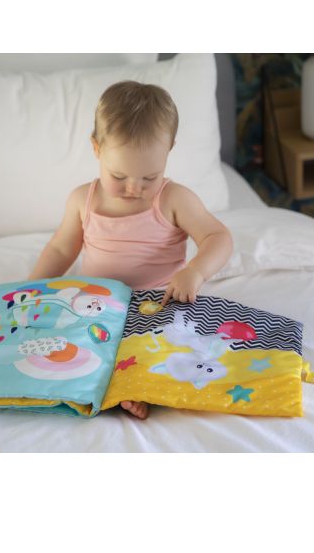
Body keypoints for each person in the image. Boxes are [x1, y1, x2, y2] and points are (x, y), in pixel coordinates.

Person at [28, 80, 233, 419]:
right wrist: (30, 288)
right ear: (96, 148)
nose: (134, 188)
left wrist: (195, 271)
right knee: (69, 342)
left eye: (150, 177)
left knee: (169, 349)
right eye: (119, 176)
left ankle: (140, 388)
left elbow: (218, 236)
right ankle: (91, 387)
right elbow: (61, 249)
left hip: (158, 303)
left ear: (169, 151)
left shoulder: (174, 199)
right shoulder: (82, 200)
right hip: (96, 305)